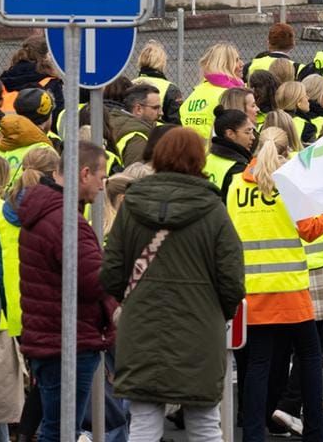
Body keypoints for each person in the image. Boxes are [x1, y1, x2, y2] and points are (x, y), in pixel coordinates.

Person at [102, 130, 245, 442]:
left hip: (141, 326)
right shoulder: (213, 210)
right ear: (199, 160)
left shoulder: (131, 206)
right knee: (205, 423)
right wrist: (218, 311)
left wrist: (132, 300)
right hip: (199, 327)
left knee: (142, 423)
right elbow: (232, 278)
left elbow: (111, 272)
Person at [227, 128, 323, 442]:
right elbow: (310, 230)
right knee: (308, 358)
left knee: (258, 364)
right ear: (284, 154)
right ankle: (316, 433)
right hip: (290, 290)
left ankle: (253, 434)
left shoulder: (236, 186)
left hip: (252, 289)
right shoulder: (288, 185)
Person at [18, 141, 114, 442]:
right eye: (101, 177)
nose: (103, 187)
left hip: (50, 334)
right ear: (84, 173)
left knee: (55, 427)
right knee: (60, 431)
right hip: (68, 340)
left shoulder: (48, 211)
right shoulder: (65, 220)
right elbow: (94, 280)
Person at [180, 43, 246, 137]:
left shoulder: (195, 93)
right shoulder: (229, 94)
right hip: (216, 149)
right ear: (225, 65)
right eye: (236, 60)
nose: (242, 64)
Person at [110, 83, 164, 168]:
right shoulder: (138, 137)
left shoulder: (112, 121)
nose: (161, 113)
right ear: (138, 109)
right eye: (155, 108)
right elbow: (136, 177)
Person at [206, 107, 257, 196]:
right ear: (230, 134)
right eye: (247, 131)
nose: (253, 137)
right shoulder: (238, 169)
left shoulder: (206, 159)